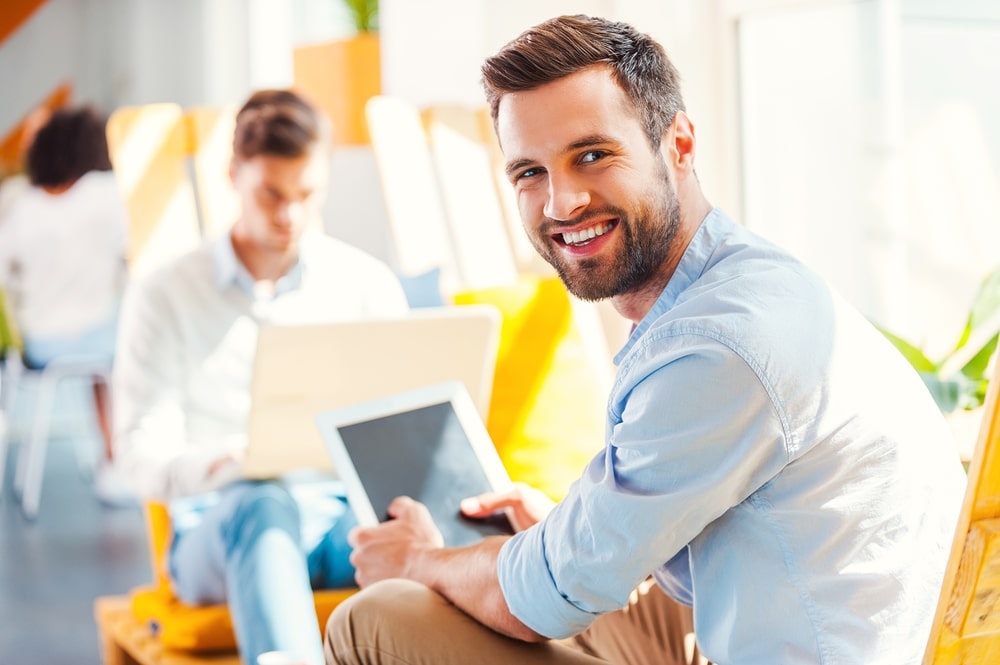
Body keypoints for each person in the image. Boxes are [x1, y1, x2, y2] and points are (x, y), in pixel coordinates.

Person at [323, 14, 967, 665]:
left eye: (592, 155)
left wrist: (423, 558)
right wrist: (577, 531)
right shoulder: (749, 283)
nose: (561, 202)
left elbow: (539, 600)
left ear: (679, 144)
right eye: (529, 172)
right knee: (560, 580)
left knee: (377, 617)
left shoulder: (716, 344)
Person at [113, 89, 409, 665]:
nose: (289, 216)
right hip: (219, 528)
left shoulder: (365, 284)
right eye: (271, 194)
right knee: (260, 501)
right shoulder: (165, 295)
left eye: (307, 195)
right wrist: (223, 463)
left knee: (410, 521)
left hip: (336, 524)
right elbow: (137, 454)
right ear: (232, 175)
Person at [0, 105, 132, 506]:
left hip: (39, 348)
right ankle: (116, 459)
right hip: (101, 343)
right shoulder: (108, 196)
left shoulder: (23, 206)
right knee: (119, 352)